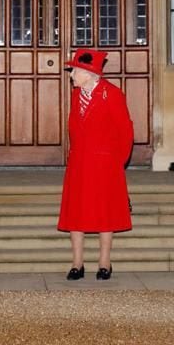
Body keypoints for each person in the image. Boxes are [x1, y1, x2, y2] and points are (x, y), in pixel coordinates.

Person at [57, 48, 134, 281]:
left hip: (105, 163)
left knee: (105, 213)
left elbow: (126, 131)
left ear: (89, 73)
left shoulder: (112, 94)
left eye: (75, 71)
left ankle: (104, 262)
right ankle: (77, 263)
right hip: (79, 162)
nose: (71, 75)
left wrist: (115, 162)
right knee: (75, 214)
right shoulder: (75, 96)